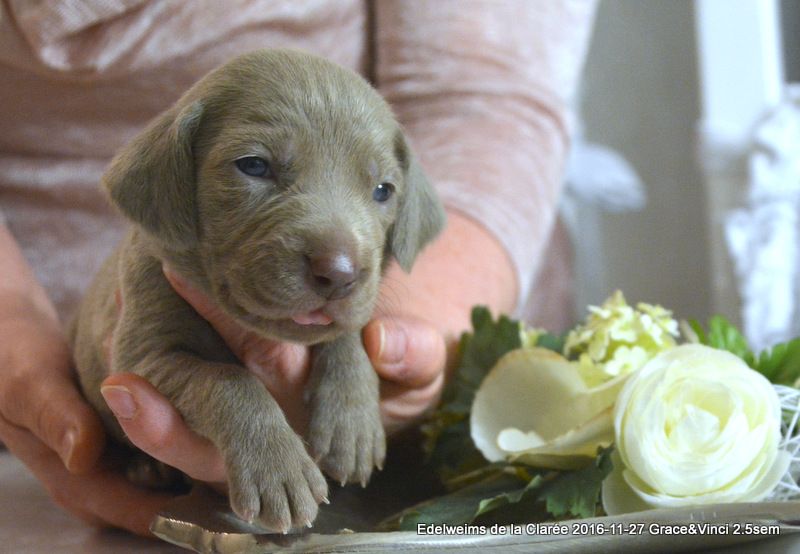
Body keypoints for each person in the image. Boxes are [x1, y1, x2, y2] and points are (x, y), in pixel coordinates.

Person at [0, 0, 596, 537]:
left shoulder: (359, 266)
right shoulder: (156, 260)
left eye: (381, 191)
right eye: (255, 166)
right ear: (167, 181)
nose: (339, 262)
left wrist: (376, 354)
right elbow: (147, 358)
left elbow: (489, 99)